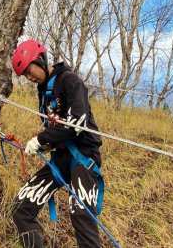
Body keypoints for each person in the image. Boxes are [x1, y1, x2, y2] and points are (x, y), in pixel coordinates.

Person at [10, 39, 103, 248]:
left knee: (80, 213)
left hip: (83, 156)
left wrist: (41, 139)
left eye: (29, 69)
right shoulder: (43, 91)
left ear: (41, 59)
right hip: (61, 158)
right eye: (24, 74)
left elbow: (77, 123)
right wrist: (43, 143)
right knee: (21, 209)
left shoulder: (70, 81)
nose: (29, 76)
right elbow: (54, 127)